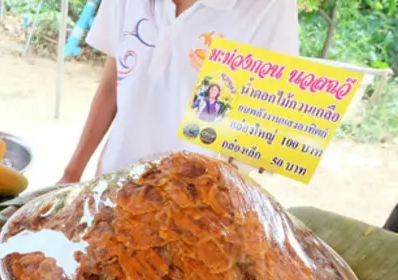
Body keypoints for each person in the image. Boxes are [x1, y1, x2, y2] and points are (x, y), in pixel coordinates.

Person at [60, 0, 300, 183]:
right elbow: (112, 86)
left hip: (196, 210)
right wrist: (72, 173)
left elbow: (268, 118)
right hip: (112, 185)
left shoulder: (270, 6)